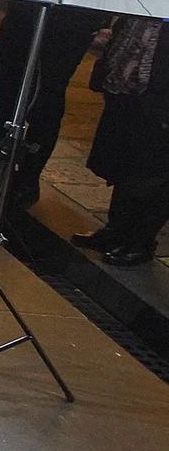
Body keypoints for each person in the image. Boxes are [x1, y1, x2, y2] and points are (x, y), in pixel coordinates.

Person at [75, 13, 169, 266]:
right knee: (123, 158)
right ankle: (116, 230)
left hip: (159, 90)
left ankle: (140, 241)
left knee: (152, 169)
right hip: (131, 80)